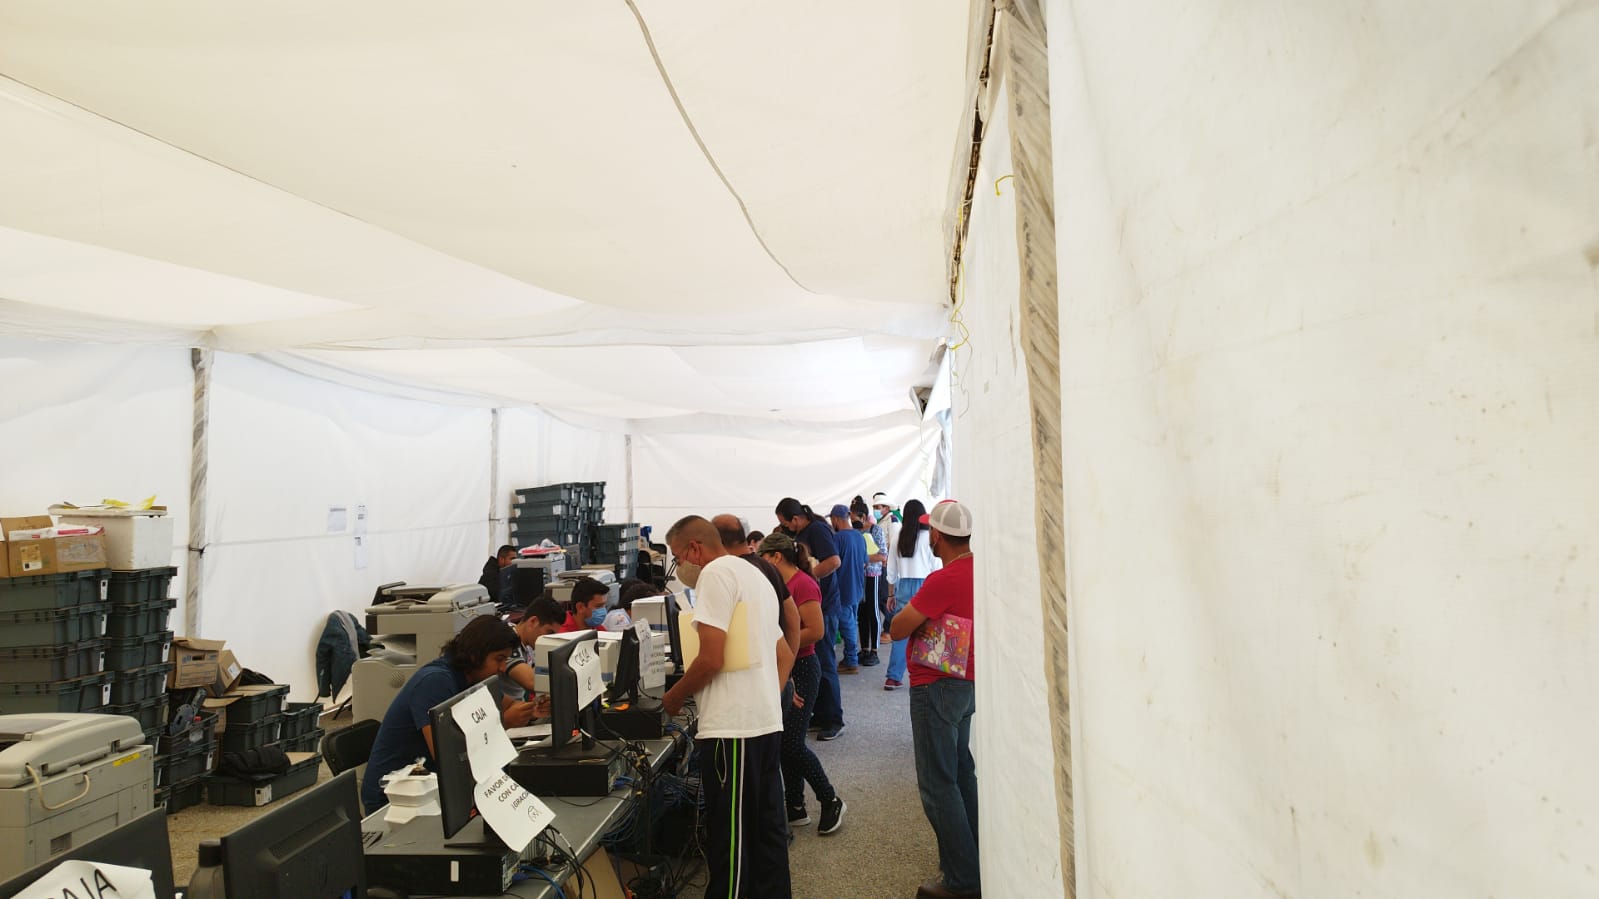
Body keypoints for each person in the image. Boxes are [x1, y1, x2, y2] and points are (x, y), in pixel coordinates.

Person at [661, 516, 792, 898]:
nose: (678, 566)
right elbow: (784, 654)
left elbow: (711, 658)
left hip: (732, 731)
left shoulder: (715, 575)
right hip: (765, 722)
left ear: (694, 548)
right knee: (767, 836)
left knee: (730, 841)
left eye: (676, 556)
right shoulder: (757, 574)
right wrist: (763, 696)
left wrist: (674, 697)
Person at [888, 500, 979, 899]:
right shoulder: (979, 571)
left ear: (938, 536)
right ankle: (974, 862)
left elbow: (897, 627)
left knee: (938, 784)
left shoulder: (942, 579)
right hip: (966, 683)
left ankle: (962, 880)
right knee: (960, 774)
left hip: (935, 685)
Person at [361, 615, 522, 813]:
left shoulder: (475, 676)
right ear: (476, 654)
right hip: (397, 797)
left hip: (431, 786)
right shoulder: (436, 682)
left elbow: (509, 705)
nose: (503, 668)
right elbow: (447, 755)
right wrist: (503, 722)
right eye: (499, 659)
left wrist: (534, 708)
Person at [757, 532, 846, 836]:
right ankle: (795, 804)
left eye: (762, 557)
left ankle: (830, 799)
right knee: (785, 740)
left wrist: (779, 645)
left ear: (776, 556)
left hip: (803, 666)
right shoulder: (778, 584)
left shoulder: (803, 584)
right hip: (787, 664)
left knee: (792, 743)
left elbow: (816, 631)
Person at [775, 498, 845, 740]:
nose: (785, 527)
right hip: (813, 603)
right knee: (818, 663)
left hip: (823, 605)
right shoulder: (805, 531)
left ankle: (834, 719)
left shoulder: (817, 529)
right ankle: (822, 714)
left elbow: (834, 561)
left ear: (795, 518)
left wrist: (806, 576)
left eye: (785, 523)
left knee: (825, 663)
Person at [884, 499, 941, 691]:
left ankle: (893, 677)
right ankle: (928, 677)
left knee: (901, 632)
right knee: (928, 631)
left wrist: (890, 595)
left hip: (903, 586)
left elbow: (891, 570)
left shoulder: (898, 537)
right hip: (926, 585)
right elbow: (936, 566)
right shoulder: (929, 537)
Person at [494, 596, 564, 726]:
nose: (550, 639)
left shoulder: (529, 644)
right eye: (549, 632)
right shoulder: (507, 640)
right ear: (533, 621)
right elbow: (533, 682)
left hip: (520, 712)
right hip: (505, 718)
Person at [827, 503, 865, 675]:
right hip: (857, 585)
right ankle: (850, 657)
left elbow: (833, 562)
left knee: (847, 624)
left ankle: (851, 660)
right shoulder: (859, 536)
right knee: (852, 622)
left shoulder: (838, 538)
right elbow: (864, 561)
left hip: (843, 586)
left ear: (836, 519)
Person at [852, 497, 887, 666]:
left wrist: (863, 558)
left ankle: (875, 650)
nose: (853, 522)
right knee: (862, 613)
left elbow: (882, 555)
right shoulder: (855, 532)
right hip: (859, 576)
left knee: (873, 612)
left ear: (863, 516)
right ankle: (864, 648)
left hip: (873, 576)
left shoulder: (876, 530)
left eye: (854, 518)